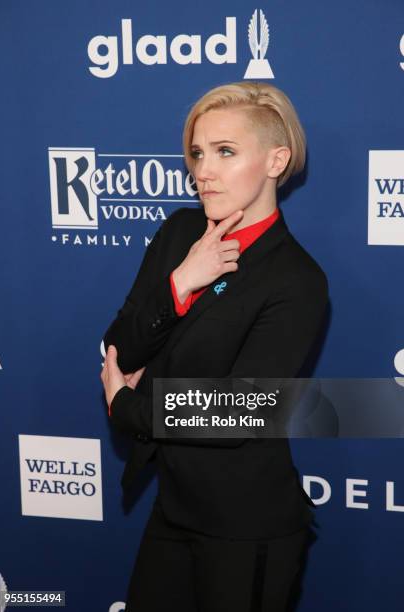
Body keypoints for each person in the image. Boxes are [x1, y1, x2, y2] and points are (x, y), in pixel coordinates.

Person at [100, 81, 329, 611]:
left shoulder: (296, 280)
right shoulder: (181, 233)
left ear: (277, 159)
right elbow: (121, 343)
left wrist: (126, 406)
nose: (203, 170)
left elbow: (237, 409)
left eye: (226, 152)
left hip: (247, 526)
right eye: (198, 153)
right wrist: (181, 283)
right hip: (174, 508)